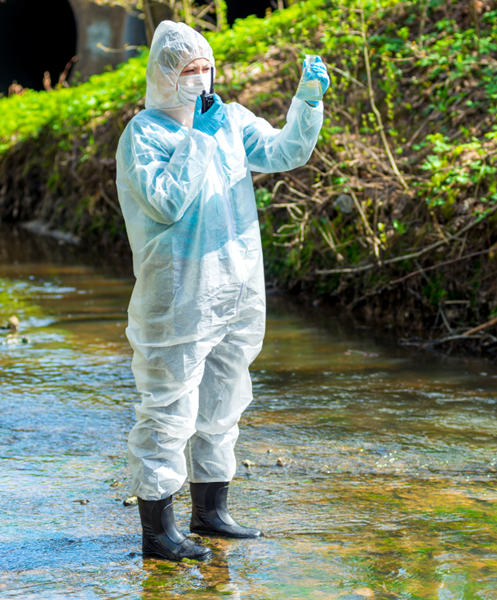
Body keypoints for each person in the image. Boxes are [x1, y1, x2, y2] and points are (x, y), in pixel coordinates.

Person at [115, 20, 329, 561]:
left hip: (236, 288)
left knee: (224, 402)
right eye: (188, 70)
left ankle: (210, 512)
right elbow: (166, 202)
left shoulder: (228, 120)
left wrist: (306, 104)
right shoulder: (145, 135)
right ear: (164, 74)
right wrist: (198, 140)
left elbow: (285, 154)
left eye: (206, 67)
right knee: (168, 409)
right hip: (178, 297)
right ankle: (158, 532)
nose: (200, 78)